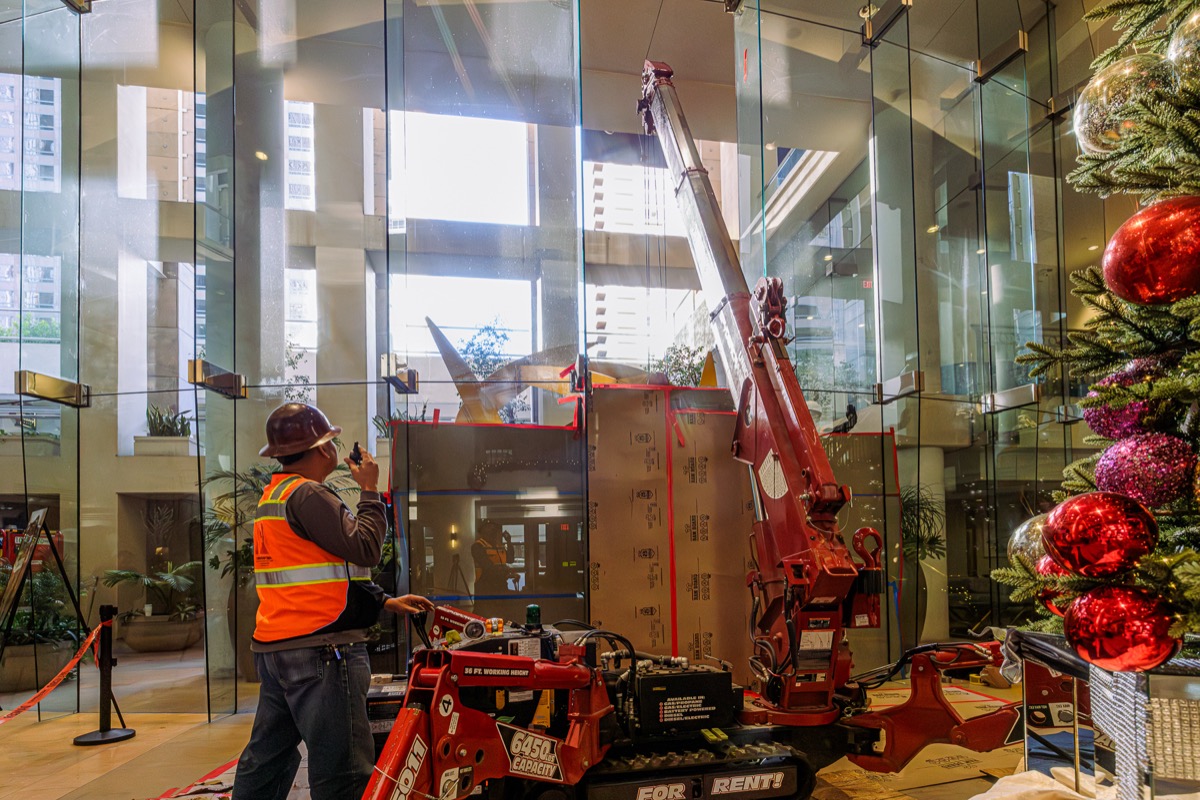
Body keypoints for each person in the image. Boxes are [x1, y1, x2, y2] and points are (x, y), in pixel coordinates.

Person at [231, 402, 434, 800]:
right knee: (342, 771)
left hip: (280, 650)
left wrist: (384, 602)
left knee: (266, 759)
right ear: (322, 450)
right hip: (322, 654)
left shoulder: (274, 496)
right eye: (330, 442)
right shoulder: (309, 495)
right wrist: (371, 489)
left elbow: (320, 574)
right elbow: (366, 549)